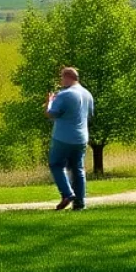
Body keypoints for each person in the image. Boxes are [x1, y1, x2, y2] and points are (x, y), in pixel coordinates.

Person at [45, 66, 95, 211]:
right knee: (78, 169)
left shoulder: (65, 94)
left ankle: (67, 194)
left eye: (62, 77)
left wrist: (49, 101)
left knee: (56, 164)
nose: (61, 81)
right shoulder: (87, 94)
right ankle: (80, 203)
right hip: (81, 137)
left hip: (63, 137)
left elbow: (51, 113)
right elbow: (90, 114)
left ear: (67, 77)